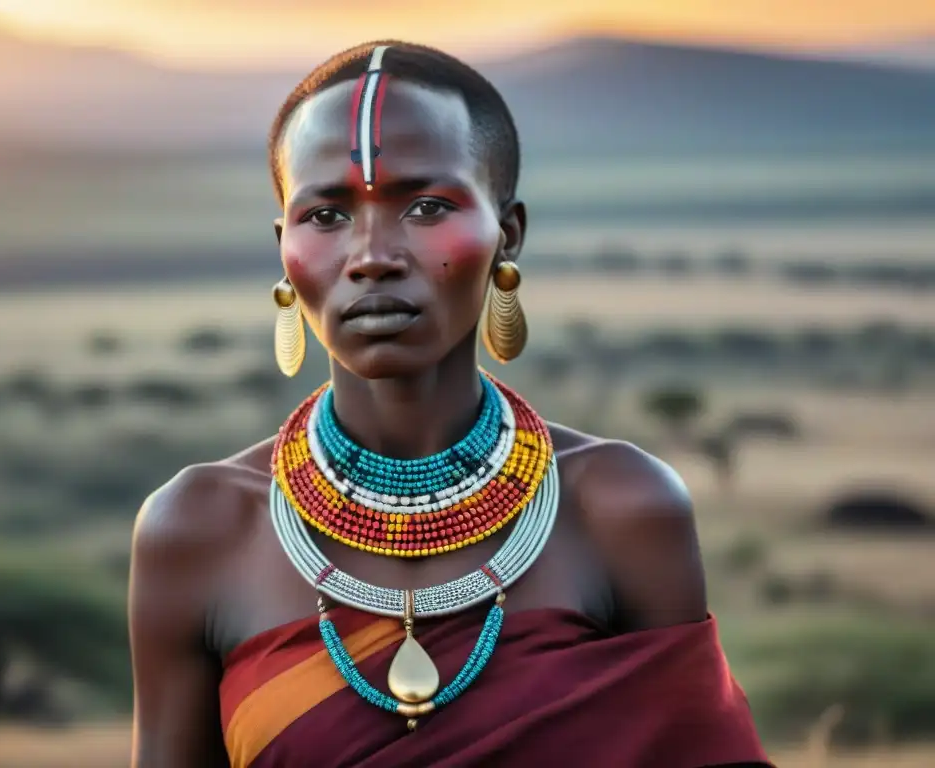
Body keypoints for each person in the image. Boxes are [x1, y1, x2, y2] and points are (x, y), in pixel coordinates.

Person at [128, 40, 772, 768]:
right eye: (327, 215)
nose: (372, 254)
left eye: (427, 206)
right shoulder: (199, 528)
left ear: (509, 235)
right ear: (284, 248)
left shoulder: (622, 508)